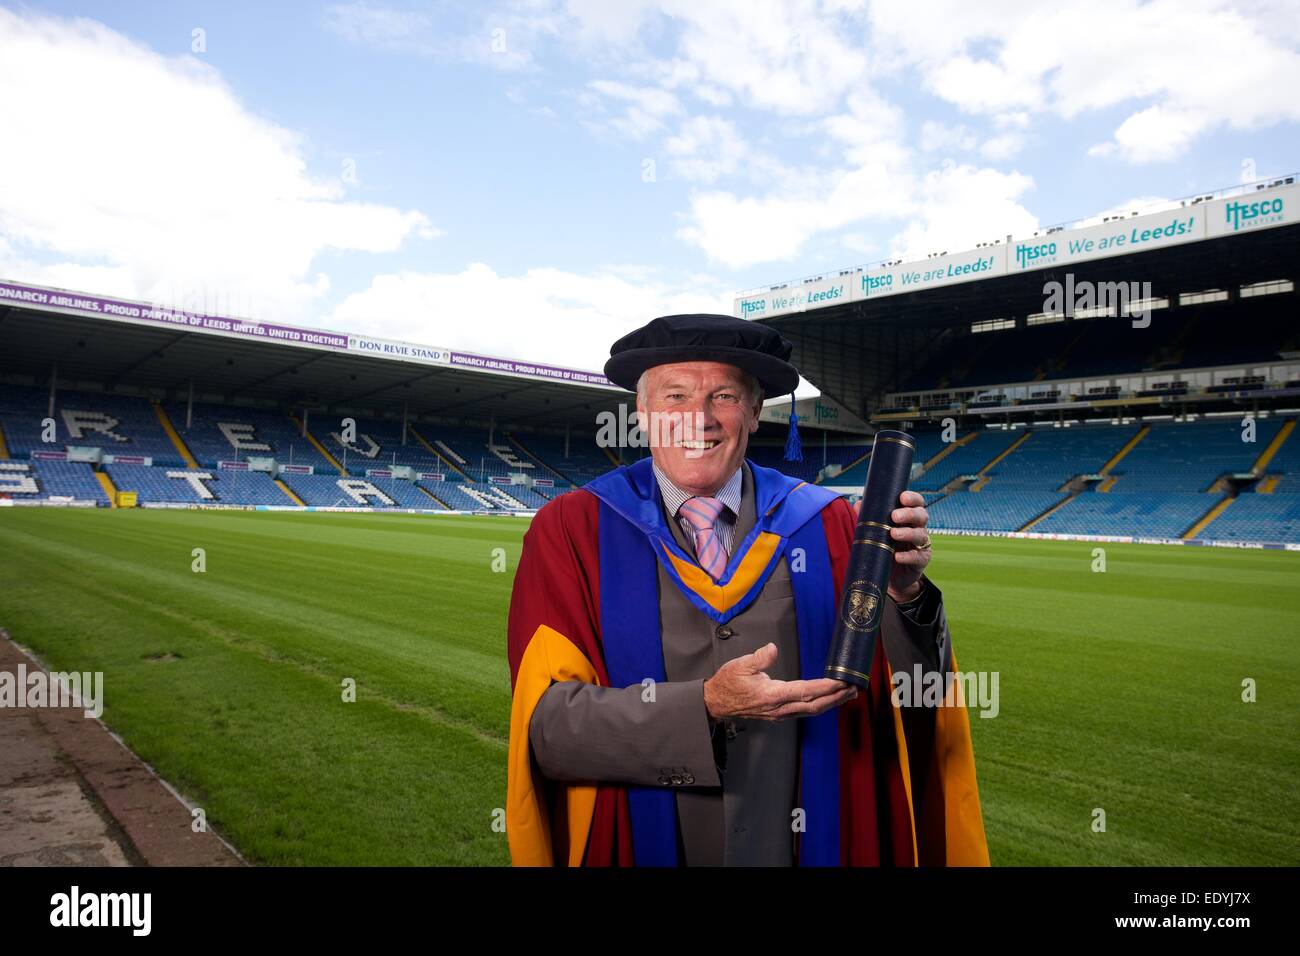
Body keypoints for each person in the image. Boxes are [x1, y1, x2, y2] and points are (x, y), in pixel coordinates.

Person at [506, 313, 988, 866]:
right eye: (675, 395)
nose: (698, 418)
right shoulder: (572, 531)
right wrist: (703, 707)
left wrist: (905, 597)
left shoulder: (827, 525)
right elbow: (550, 732)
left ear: (756, 412)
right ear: (641, 413)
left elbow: (907, 705)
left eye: (725, 396)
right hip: (646, 844)